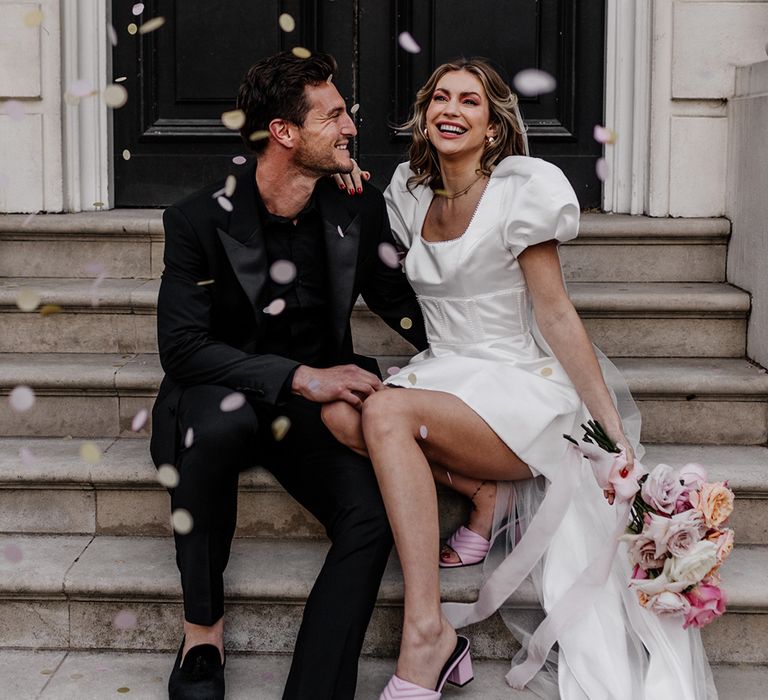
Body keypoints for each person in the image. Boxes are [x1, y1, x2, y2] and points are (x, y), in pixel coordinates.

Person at [322, 58, 717, 699]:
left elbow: (555, 313)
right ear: (423, 116)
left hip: (515, 386)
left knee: (386, 414)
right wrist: (339, 172)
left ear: (494, 125)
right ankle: (481, 490)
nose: (451, 110)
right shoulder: (407, 192)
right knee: (341, 412)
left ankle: (427, 631)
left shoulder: (519, 191)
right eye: (440, 98)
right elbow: (361, 238)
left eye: (469, 102)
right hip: (445, 373)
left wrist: (613, 436)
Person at [150, 50, 427, 700]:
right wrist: (301, 378)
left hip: (309, 408)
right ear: (284, 132)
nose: (351, 128)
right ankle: (202, 631)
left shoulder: (356, 206)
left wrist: (488, 363)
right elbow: (183, 349)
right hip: (223, 394)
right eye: (333, 116)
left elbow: (400, 304)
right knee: (219, 427)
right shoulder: (197, 219)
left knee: (373, 514)